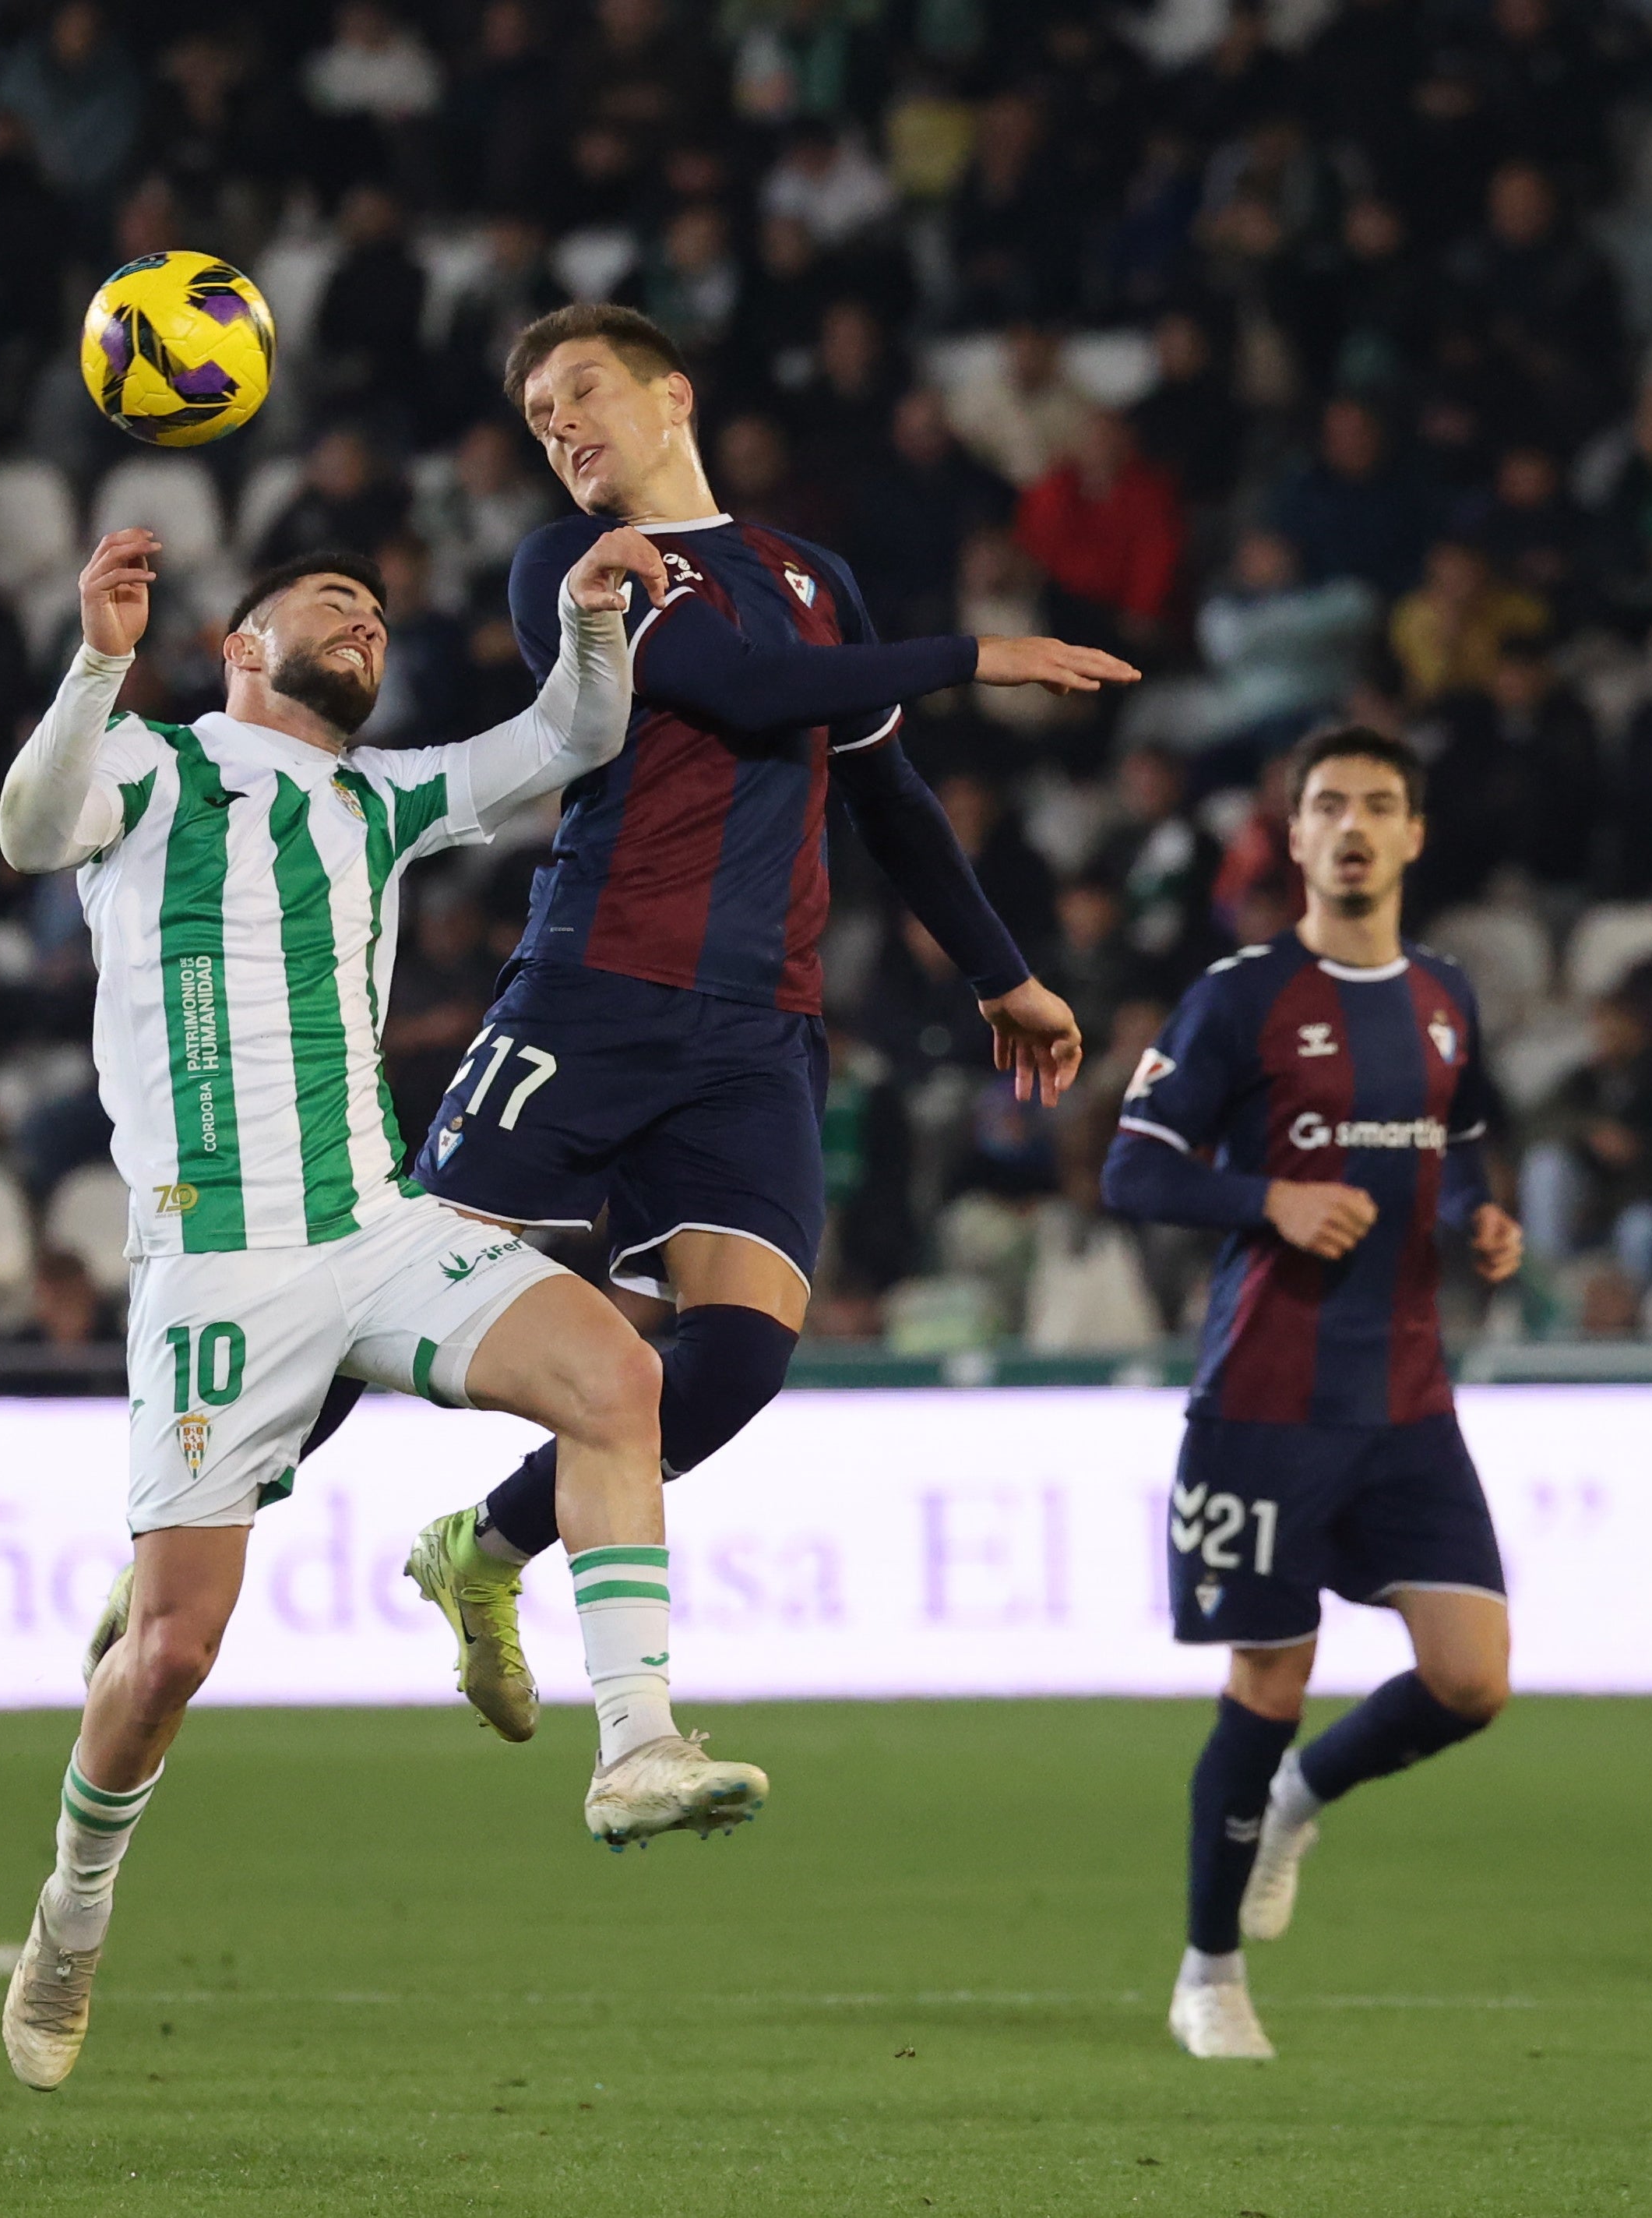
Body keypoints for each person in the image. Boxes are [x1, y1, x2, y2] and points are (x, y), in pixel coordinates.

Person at [0, 526, 769, 2095]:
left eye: (375, 610)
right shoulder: (148, 767)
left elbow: (568, 736)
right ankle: (72, 1910)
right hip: (217, 1262)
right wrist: (92, 654)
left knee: (619, 1375)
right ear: (240, 642)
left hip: (377, 1222)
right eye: (326, 601)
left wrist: (587, 614)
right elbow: (23, 832)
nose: (361, 619)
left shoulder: (377, 794)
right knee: (165, 1658)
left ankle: (635, 1744)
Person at [396, 305, 1129, 1738]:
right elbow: (733, 689)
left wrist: (999, 973)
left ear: (672, 395)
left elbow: (885, 797)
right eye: (541, 418)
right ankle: (180, 1542)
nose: (561, 428)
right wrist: (968, 653)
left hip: (757, 1030)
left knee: (735, 1362)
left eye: (582, 392)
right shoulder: (574, 566)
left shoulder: (808, 574)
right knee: (373, 1296)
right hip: (591, 991)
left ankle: (480, 1551)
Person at [1098, 725, 1527, 2062]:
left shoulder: (1446, 996)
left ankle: (1299, 1796)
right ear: (1290, 840)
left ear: (1412, 836)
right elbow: (1132, 1170)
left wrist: (1479, 1218)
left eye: (1378, 805)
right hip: (1265, 1398)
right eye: (1326, 805)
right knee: (1269, 1672)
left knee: (1470, 1679)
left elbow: (1459, 1147)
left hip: (1407, 1399)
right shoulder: (1237, 998)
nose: (1351, 826)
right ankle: (1208, 1973)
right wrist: (1263, 1196)